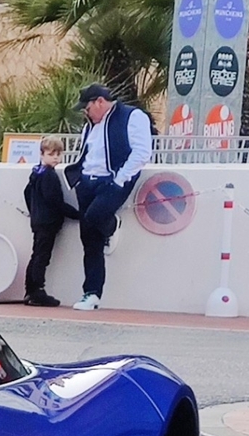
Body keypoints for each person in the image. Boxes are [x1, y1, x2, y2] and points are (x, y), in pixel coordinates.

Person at [22, 81, 153, 309]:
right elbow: (88, 153)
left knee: (94, 218)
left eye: (87, 107)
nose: (85, 112)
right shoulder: (89, 126)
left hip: (112, 182)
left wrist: (119, 179)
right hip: (87, 183)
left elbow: (142, 152)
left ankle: (111, 224)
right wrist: (80, 178)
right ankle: (92, 293)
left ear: (100, 102)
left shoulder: (132, 117)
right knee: (89, 239)